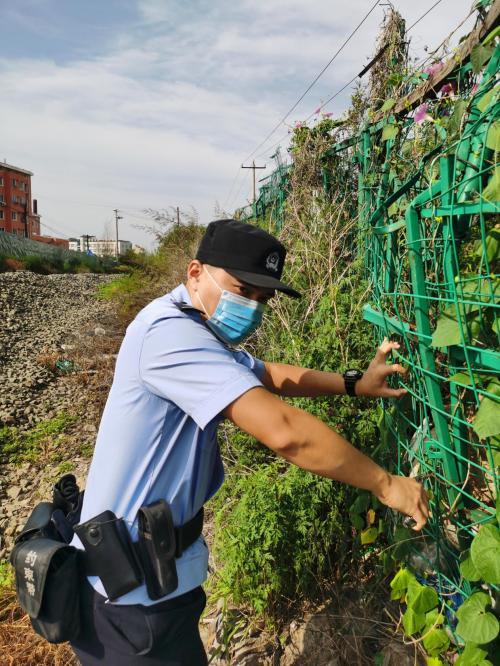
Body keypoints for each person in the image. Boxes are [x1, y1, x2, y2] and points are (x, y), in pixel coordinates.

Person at [70, 219, 429, 665]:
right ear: (195, 272)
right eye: (242, 289)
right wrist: (385, 483)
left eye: (263, 299)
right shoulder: (169, 334)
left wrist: (355, 383)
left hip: (157, 583)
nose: (252, 307)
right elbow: (285, 432)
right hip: (127, 604)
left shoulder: (198, 327)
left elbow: (269, 375)